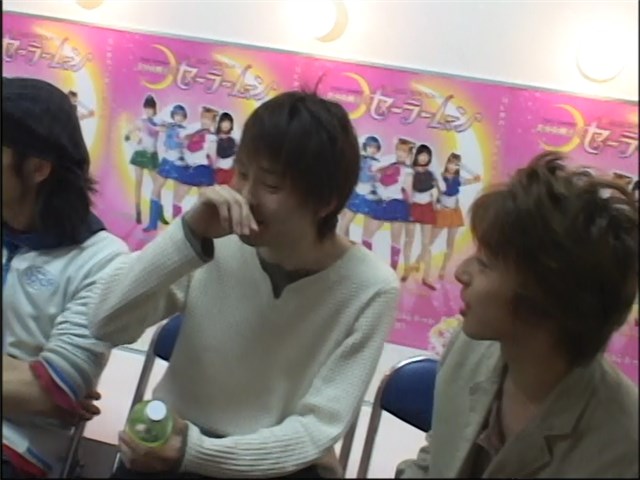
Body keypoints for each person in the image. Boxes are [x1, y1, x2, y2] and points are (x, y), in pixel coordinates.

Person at [89, 91, 400, 478]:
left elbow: (316, 429)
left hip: (270, 465)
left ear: (325, 203)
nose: (245, 195)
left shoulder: (370, 287)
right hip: (171, 443)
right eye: (241, 173)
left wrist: (196, 453)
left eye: (270, 185)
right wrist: (188, 234)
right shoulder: (214, 239)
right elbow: (104, 321)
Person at [396, 152, 639, 478]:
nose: (461, 273)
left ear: (547, 298)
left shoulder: (623, 446)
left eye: (485, 264)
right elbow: (435, 460)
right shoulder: (469, 349)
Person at [2, 77, 127, 478]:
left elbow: (56, 388)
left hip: (17, 450)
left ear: (37, 168)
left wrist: (47, 392)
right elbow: (42, 393)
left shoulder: (103, 260)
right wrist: (28, 384)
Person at [361, 137, 415, 271]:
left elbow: (409, 191)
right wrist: (388, 164)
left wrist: (411, 209)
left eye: (404, 151)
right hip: (382, 201)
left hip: (397, 204)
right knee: (367, 236)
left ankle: (393, 270)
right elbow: (373, 170)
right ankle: (367, 267)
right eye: (399, 150)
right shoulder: (387, 161)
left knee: (396, 239)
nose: (401, 153)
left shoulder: (408, 170)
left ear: (409, 154)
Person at [124, 94, 165, 225]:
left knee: (157, 184)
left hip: (152, 155)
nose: (148, 111)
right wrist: (134, 144)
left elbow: (165, 130)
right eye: (146, 108)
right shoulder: (140, 122)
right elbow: (127, 135)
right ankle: (138, 212)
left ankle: (159, 213)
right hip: (140, 154)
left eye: (150, 109)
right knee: (138, 182)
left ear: (154, 109)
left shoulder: (158, 121)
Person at [400, 143, 438, 283]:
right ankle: (406, 270)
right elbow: (406, 189)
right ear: (416, 155)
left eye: (426, 155)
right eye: (421, 155)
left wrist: (435, 201)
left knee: (426, 243)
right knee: (409, 240)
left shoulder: (431, 173)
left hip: (427, 207)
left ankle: (426, 277)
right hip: (413, 206)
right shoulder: (409, 172)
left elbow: (437, 190)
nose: (424, 158)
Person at [337, 135, 382, 238]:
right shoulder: (360, 159)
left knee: (367, 224)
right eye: (370, 147)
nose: (373, 150)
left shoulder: (378, 163)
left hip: (369, 194)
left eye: (375, 147)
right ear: (365, 147)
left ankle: (353, 243)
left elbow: (377, 180)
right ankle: (342, 241)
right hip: (356, 191)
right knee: (346, 220)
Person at [212, 111, 238, 186]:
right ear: (219, 123)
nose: (226, 125)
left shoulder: (233, 139)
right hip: (217, 171)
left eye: (228, 123)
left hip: (230, 171)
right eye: (224, 122)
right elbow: (221, 153)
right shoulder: (215, 138)